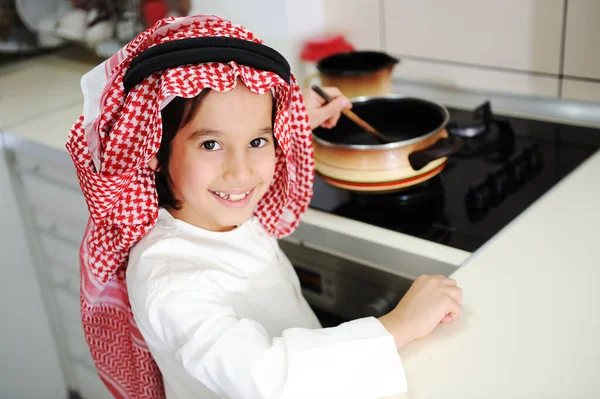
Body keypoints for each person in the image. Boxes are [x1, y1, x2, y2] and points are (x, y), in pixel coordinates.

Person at [66, 14, 462, 399]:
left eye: (258, 142)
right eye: (210, 144)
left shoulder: (210, 210)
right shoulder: (171, 281)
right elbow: (265, 378)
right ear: (152, 149)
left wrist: (288, 118)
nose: (241, 173)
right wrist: (399, 326)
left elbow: (242, 130)